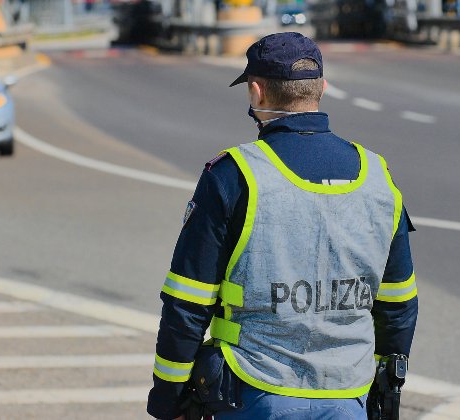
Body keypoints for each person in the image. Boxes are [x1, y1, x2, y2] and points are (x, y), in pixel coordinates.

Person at [147, 32, 418, 419]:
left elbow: (187, 302)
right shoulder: (378, 176)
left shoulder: (233, 175)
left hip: (254, 390)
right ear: (321, 88)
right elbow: (398, 303)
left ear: (257, 92)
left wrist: (167, 400)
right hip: (348, 394)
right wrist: (385, 388)